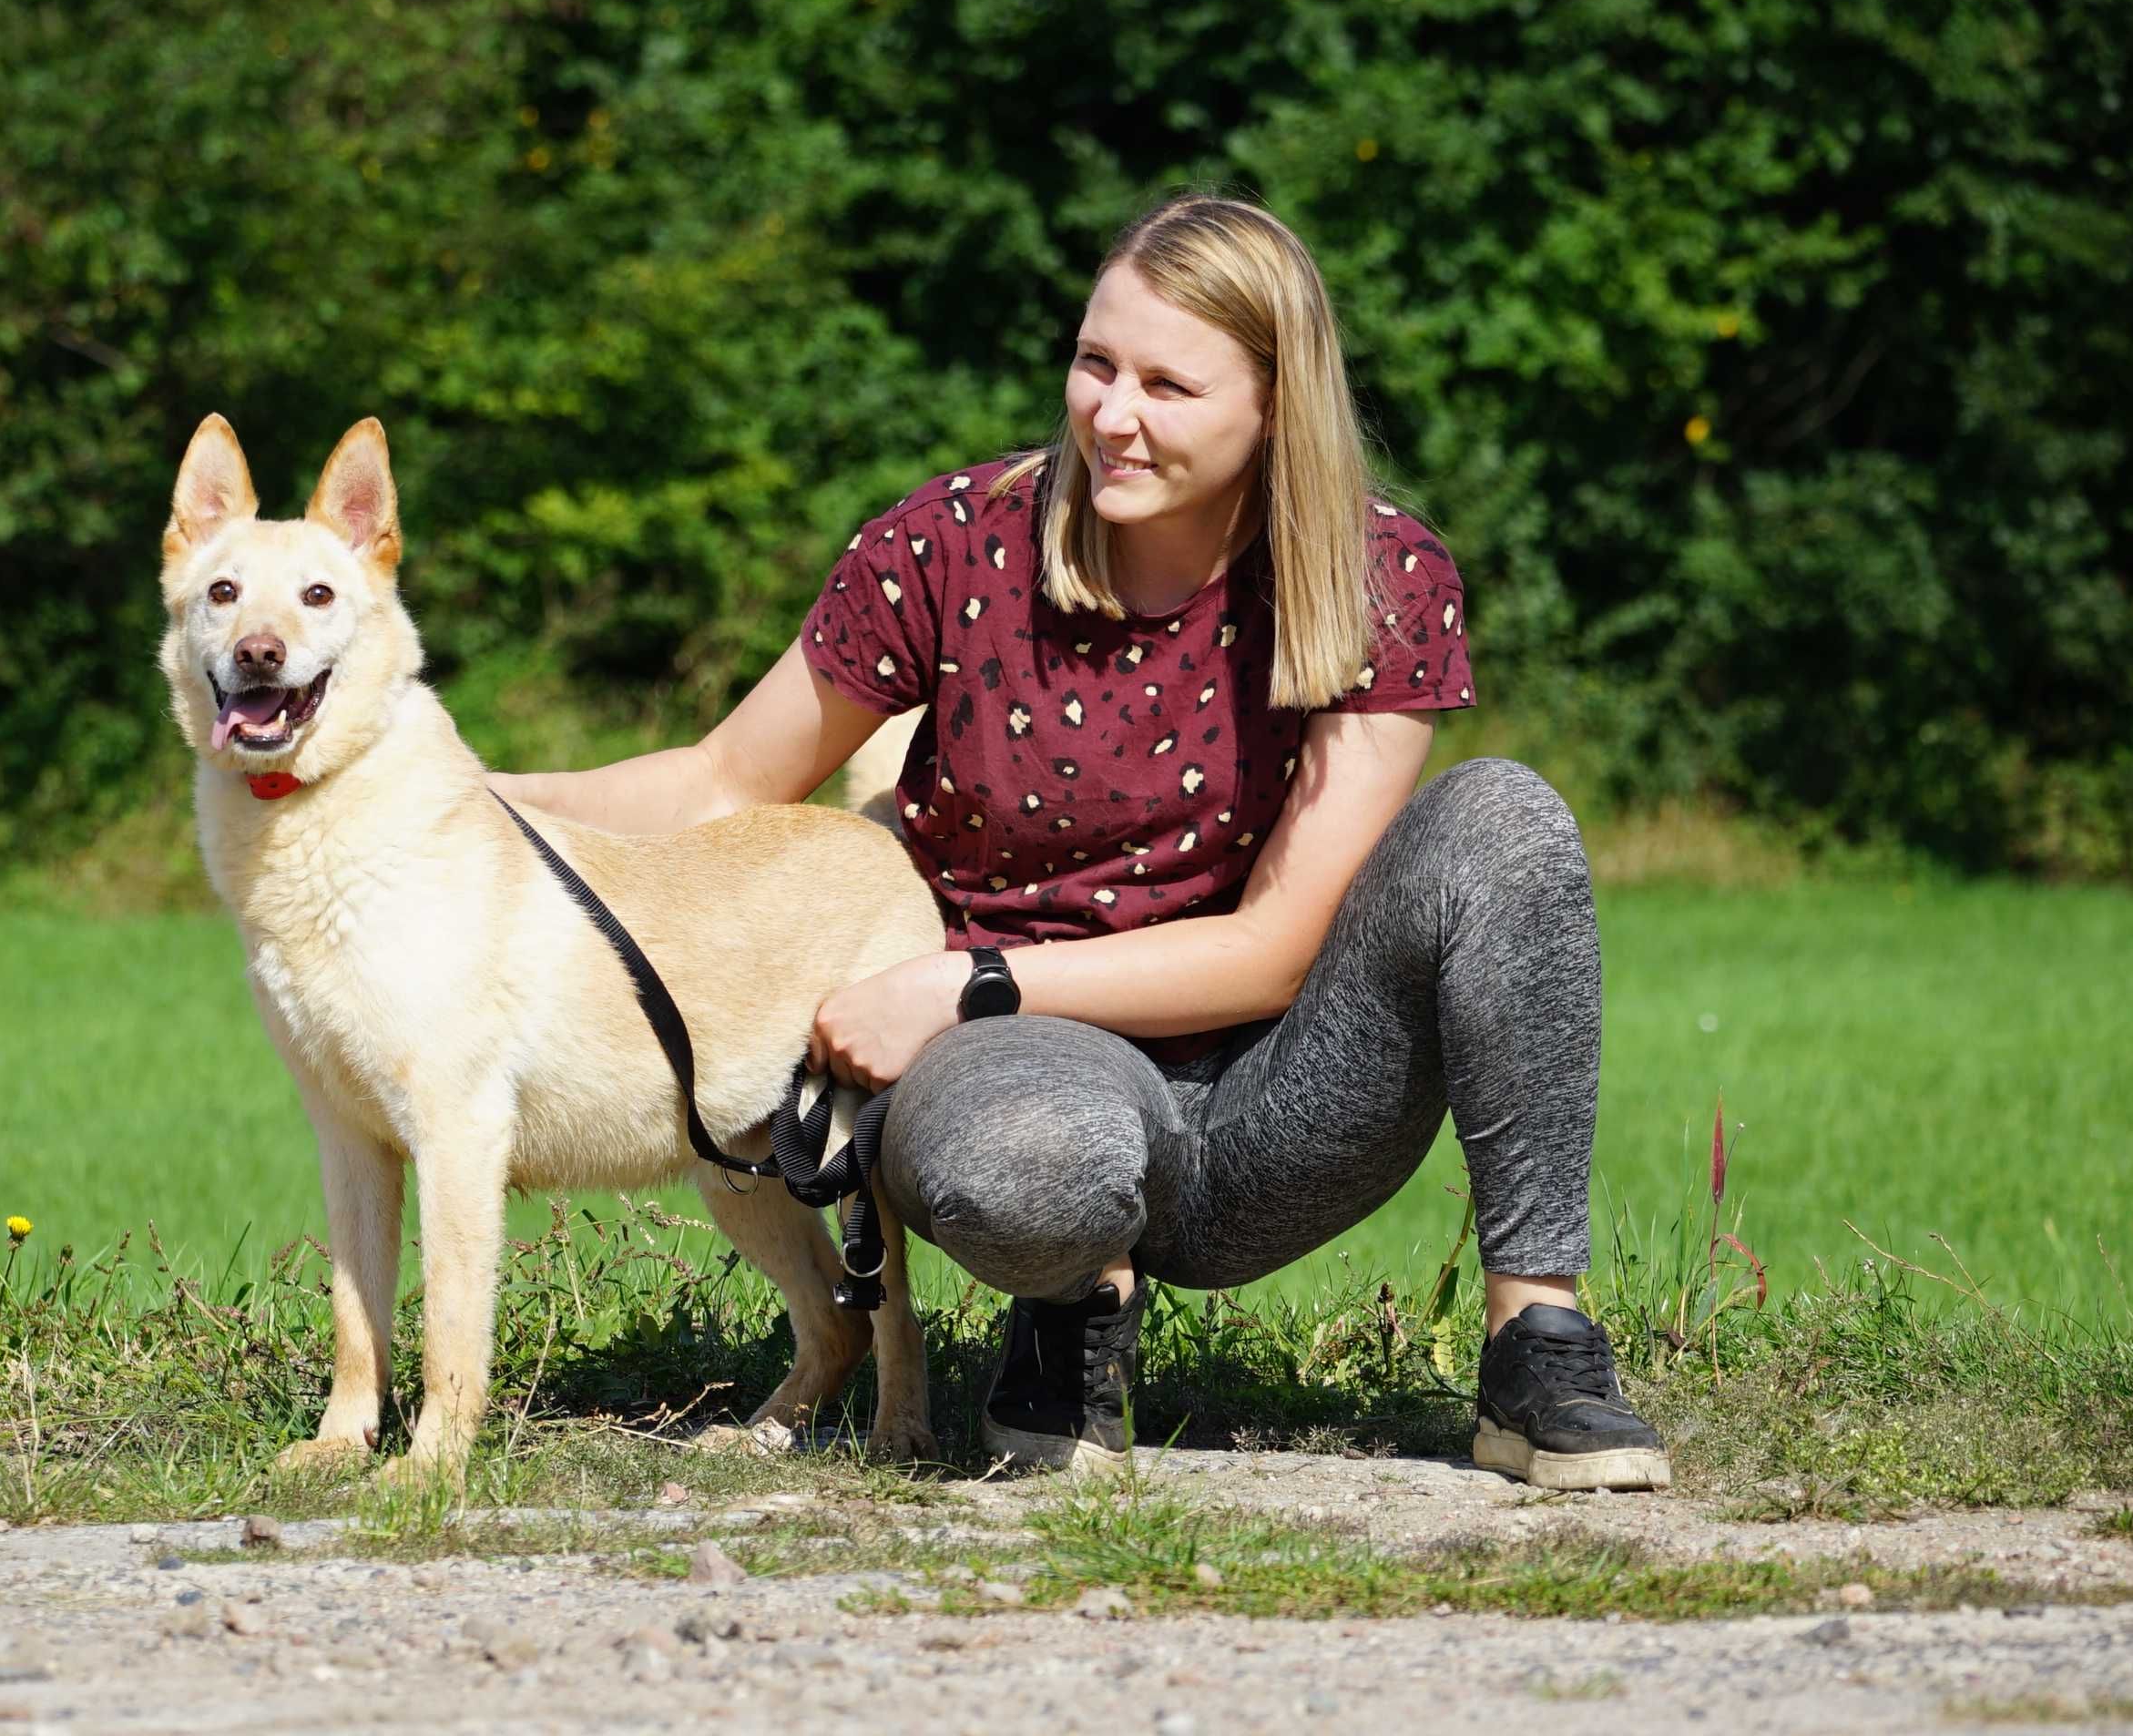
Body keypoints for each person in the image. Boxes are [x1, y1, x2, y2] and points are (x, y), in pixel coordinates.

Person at [489, 193, 1669, 1491]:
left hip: (1282, 1097)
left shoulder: (1384, 578)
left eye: (1169, 384)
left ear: (1277, 405)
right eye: (1096, 363)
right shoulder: (948, 544)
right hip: (1022, 1083)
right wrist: (450, 792)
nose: (1112, 413)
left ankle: (1537, 1344)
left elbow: (1278, 950)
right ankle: (1070, 1310)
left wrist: (961, 979)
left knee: (1508, 819)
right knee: (1029, 1162)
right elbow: (720, 779)